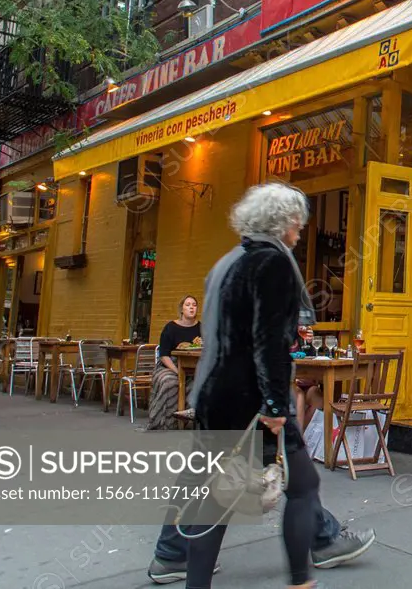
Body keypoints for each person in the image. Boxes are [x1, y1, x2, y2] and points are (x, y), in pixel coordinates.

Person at [156, 183, 345, 589]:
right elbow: (269, 342)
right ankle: (301, 580)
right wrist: (277, 408)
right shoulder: (273, 264)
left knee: (216, 498)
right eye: (297, 223)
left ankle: (188, 574)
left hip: (214, 395)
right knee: (303, 485)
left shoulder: (226, 262)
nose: (300, 231)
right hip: (251, 400)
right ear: (285, 223)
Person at [147, 296, 202, 431]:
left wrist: (203, 344)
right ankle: (162, 422)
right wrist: (178, 372)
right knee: (169, 382)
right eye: (188, 304)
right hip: (170, 365)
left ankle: (190, 414)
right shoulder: (170, 328)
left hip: (194, 366)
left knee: (199, 384)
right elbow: (164, 355)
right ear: (181, 309)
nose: (191, 307)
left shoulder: (202, 328)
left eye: (194, 305)